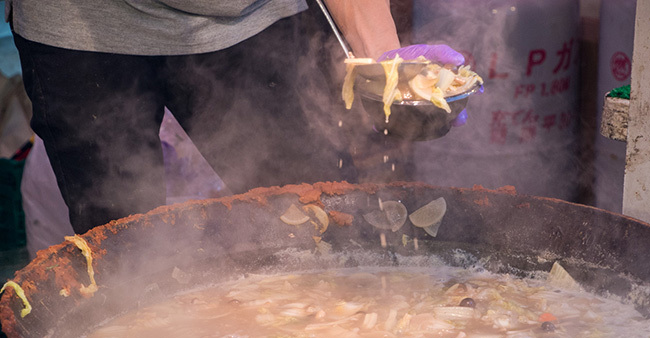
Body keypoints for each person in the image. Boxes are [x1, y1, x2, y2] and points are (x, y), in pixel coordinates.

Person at [7, 0, 462, 235]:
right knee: (124, 248)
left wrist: (386, 64)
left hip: (256, 17)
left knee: (313, 222)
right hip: (82, 28)